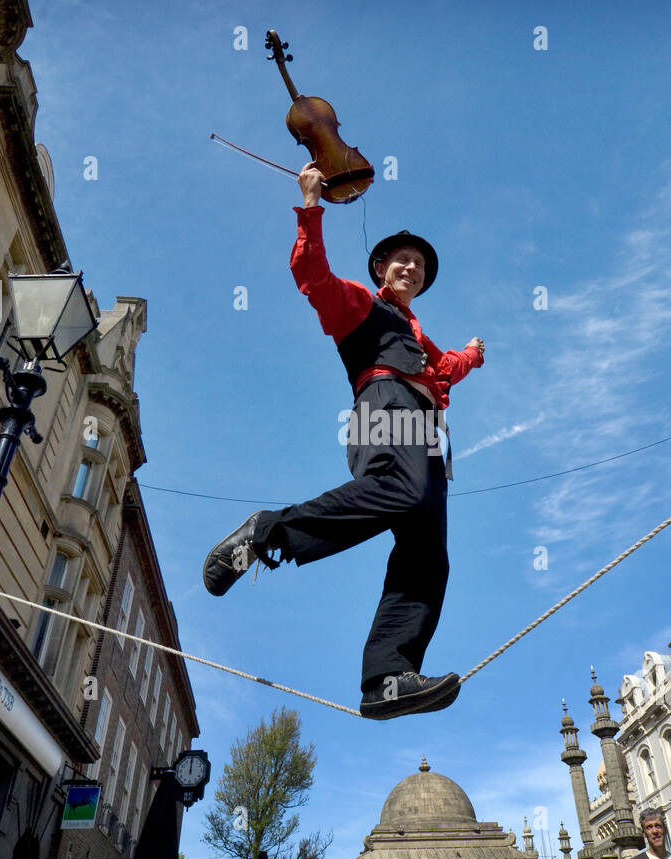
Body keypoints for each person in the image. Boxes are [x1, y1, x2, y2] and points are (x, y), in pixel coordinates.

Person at [202, 161, 486, 720]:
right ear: (381, 267)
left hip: (427, 435)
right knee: (399, 491)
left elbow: (446, 368)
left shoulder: (417, 335)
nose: (412, 267)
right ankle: (265, 532)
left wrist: (474, 351)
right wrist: (310, 206)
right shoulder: (362, 303)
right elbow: (314, 277)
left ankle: (387, 677)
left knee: (429, 558)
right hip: (386, 409)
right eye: (402, 259)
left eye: (421, 265)